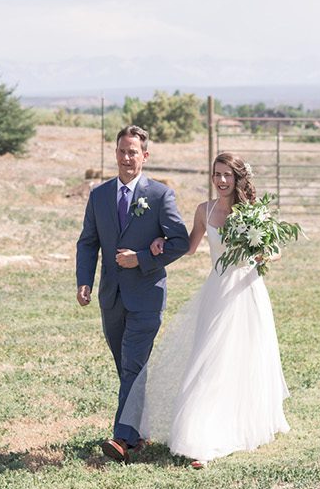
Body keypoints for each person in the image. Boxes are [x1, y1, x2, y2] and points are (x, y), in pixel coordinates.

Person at [120, 152, 290, 468]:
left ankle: (233, 425)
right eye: (216, 174)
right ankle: (201, 433)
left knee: (242, 356)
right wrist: (158, 240)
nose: (221, 180)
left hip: (246, 290)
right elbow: (188, 246)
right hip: (217, 290)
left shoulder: (253, 212)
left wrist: (257, 258)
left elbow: (275, 250)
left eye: (227, 174)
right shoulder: (204, 210)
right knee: (209, 357)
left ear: (238, 178)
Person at [76, 124, 189, 462]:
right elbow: (88, 242)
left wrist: (140, 258)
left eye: (134, 152)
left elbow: (180, 242)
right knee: (125, 365)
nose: (127, 157)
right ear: (116, 153)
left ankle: (123, 440)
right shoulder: (98, 195)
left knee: (133, 365)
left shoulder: (159, 195)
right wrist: (85, 280)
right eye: (122, 151)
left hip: (146, 296)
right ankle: (140, 428)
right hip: (110, 297)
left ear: (145, 156)